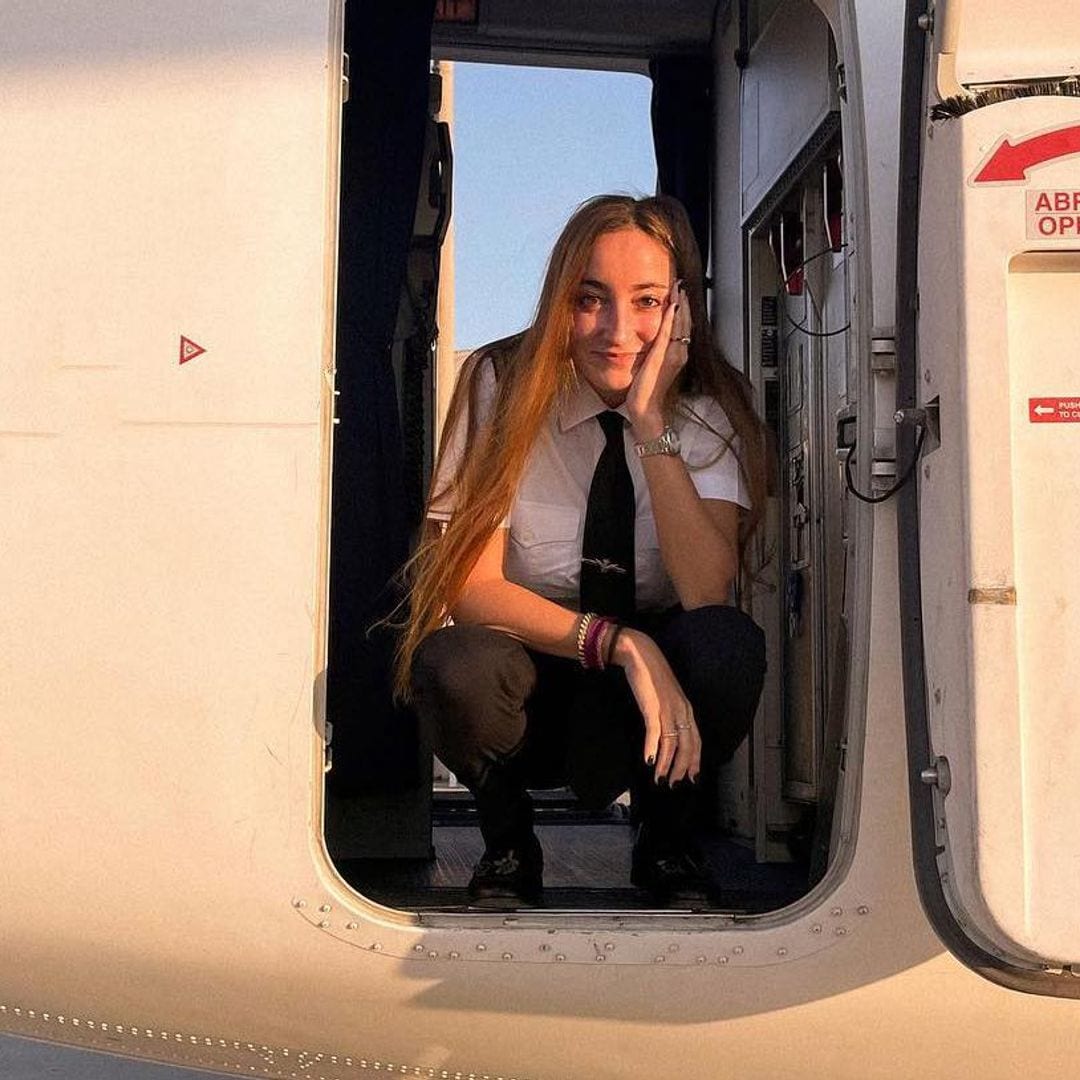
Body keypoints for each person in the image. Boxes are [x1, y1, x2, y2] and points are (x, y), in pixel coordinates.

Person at [395, 194, 768, 906]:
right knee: (453, 662)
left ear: (681, 309)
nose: (617, 331)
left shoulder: (710, 408)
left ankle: (667, 845)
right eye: (590, 299)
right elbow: (468, 589)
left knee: (725, 646)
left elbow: (705, 590)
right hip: (541, 669)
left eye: (648, 301)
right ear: (559, 298)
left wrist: (651, 421)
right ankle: (508, 845)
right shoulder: (500, 386)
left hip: (651, 702)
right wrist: (621, 643)